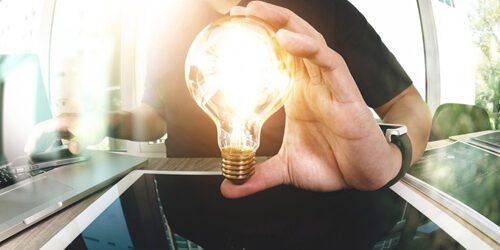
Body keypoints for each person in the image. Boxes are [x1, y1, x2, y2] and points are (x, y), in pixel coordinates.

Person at [25, 0, 431, 199]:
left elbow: (409, 104)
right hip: (189, 223)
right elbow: (155, 117)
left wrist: (392, 156)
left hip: (315, 220)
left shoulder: (321, 8)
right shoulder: (170, 20)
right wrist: (101, 121)